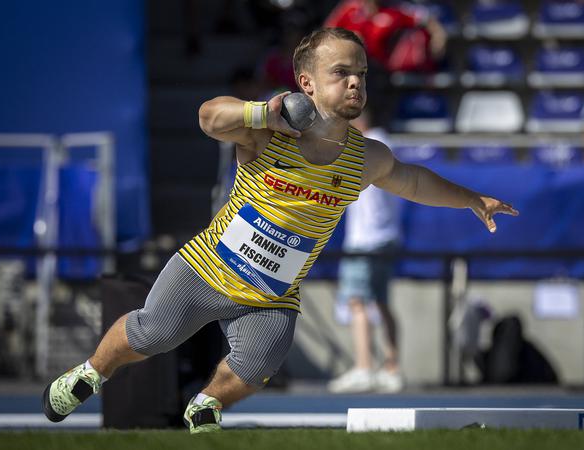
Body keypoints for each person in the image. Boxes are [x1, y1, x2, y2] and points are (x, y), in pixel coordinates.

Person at [42, 27, 518, 433]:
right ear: (306, 84)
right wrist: (263, 112)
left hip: (273, 293)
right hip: (207, 269)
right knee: (150, 335)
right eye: (342, 73)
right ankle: (89, 373)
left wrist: (471, 198)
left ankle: (206, 404)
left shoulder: (367, 157)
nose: (355, 82)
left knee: (257, 367)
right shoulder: (269, 133)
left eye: (362, 74)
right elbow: (209, 116)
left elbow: (413, 180)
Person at [327, 109, 403, 393]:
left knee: (357, 302)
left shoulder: (369, 145)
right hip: (384, 236)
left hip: (367, 239)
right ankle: (392, 369)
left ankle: (364, 367)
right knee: (381, 302)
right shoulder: (383, 143)